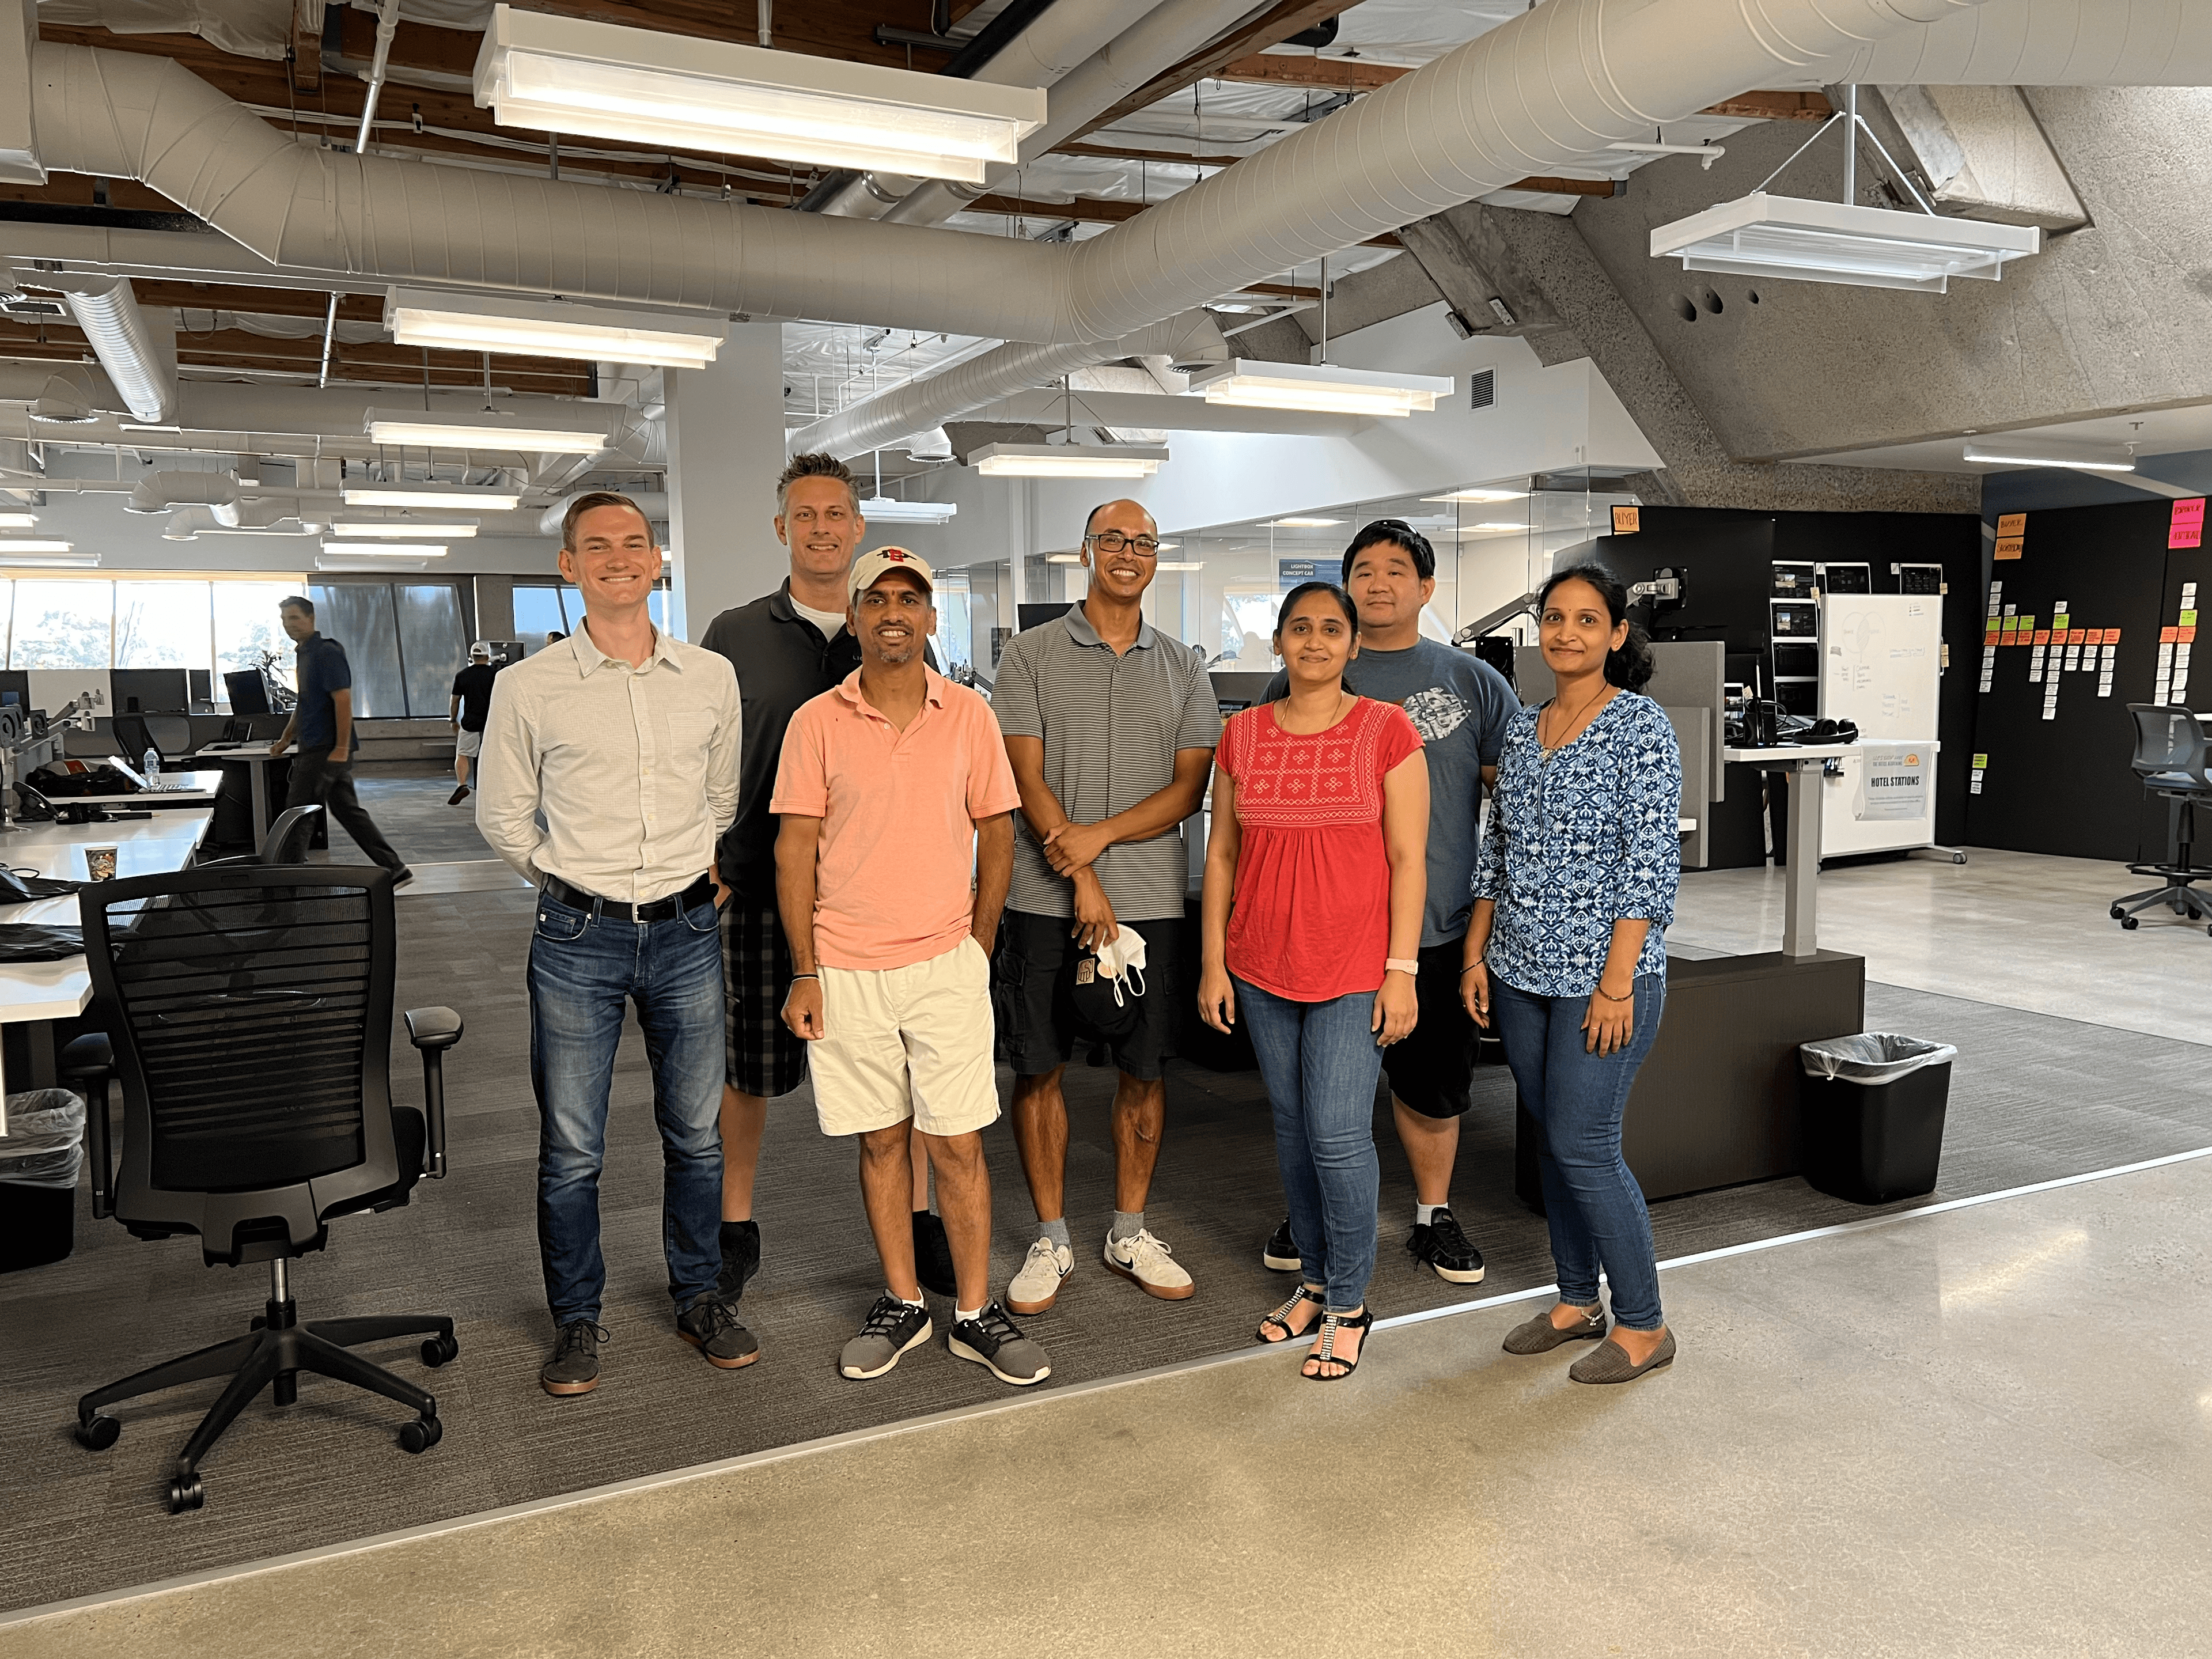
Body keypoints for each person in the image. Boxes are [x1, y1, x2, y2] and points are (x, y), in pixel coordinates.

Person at [475, 491, 750, 1397]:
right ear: (570, 566)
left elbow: (723, 800)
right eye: (598, 547)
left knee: (698, 1139)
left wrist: (691, 868)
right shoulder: (528, 687)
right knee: (572, 1148)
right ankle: (577, 1320)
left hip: (686, 930)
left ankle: (700, 1295)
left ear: (657, 561)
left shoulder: (710, 677)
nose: (619, 558)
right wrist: (568, 881)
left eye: (635, 544)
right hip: (576, 935)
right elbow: (504, 817)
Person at [773, 547, 1049, 1388]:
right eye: (878, 600)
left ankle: (971, 1312)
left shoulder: (968, 715)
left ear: (931, 618)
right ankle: (902, 1303)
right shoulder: (815, 721)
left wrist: (980, 942)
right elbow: (794, 852)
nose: (895, 613)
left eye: (912, 600)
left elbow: (998, 831)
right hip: (846, 966)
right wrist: (806, 970)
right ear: (853, 617)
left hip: (944, 965)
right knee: (883, 1141)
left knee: (957, 1144)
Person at [699, 453, 955, 1318]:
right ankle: (735, 1228)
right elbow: (698, 754)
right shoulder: (735, 632)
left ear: (857, 528)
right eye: (804, 516)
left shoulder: (891, 622)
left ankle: (918, 1222)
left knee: (903, 1076)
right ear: (782, 529)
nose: (821, 529)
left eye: (836, 514)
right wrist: (711, 852)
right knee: (749, 1069)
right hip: (761, 891)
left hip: (878, 900)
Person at [1257, 520, 1516, 1286]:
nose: (1379, 583)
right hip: (1324, 927)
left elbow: (1511, 800)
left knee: (1431, 1086)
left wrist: (1486, 925)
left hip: (1430, 926)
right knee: (1312, 1095)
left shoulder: (1472, 681)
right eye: (1363, 570)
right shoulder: (1305, 677)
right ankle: (1308, 1211)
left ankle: (1433, 1215)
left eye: (1397, 571)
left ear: (1426, 589)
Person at [991, 499, 1221, 1316]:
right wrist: (1079, 873)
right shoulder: (1028, 655)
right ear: (1085, 550)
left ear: (1158, 557)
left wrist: (1100, 842)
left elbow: (1190, 788)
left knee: (1144, 1070)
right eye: (1114, 540)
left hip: (1152, 901)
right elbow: (1024, 780)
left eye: (1144, 543)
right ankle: (1051, 1235)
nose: (1129, 553)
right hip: (1041, 899)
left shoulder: (1186, 665)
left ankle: (1129, 1229)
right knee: (1039, 1065)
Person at [1199, 581, 1429, 1381]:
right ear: (1279, 642)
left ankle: (1351, 1303)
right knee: (1295, 1132)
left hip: (1354, 969)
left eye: (1333, 629)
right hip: (1261, 965)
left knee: (1336, 1136)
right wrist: (1212, 963)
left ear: (1353, 646)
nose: (1316, 642)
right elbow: (1221, 854)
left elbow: (1409, 861)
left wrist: (1402, 973)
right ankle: (1315, 1280)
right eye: (1301, 628)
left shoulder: (1387, 731)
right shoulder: (1243, 736)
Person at [1464, 564, 1681, 1385]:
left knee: (1586, 1144)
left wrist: (1618, 981)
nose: (1566, 634)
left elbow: (1650, 863)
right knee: (1552, 1142)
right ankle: (1573, 1298)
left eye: (1587, 621)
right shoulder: (1523, 728)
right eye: (1554, 619)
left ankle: (1643, 1322)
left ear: (1617, 635)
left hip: (1604, 977)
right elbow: (1499, 848)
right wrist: (1476, 951)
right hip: (1519, 969)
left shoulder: (1641, 728)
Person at [268, 594, 410, 885]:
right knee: (348, 811)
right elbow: (306, 702)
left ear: (311, 618)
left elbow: (343, 699)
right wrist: (286, 738)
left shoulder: (326, 652)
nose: (288, 625)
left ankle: (286, 882)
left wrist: (342, 748)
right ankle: (395, 869)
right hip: (316, 745)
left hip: (325, 749)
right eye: (284, 620)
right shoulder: (305, 653)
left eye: (294, 618)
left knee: (298, 811)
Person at [447, 641, 499, 806]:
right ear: (488, 656)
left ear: (471, 657)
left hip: (470, 722)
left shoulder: (462, 675)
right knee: (493, 756)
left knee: (462, 754)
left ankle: (462, 784)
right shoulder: (496, 675)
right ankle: (493, 788)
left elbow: (455, 701)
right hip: (492, 723)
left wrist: (453, 719)